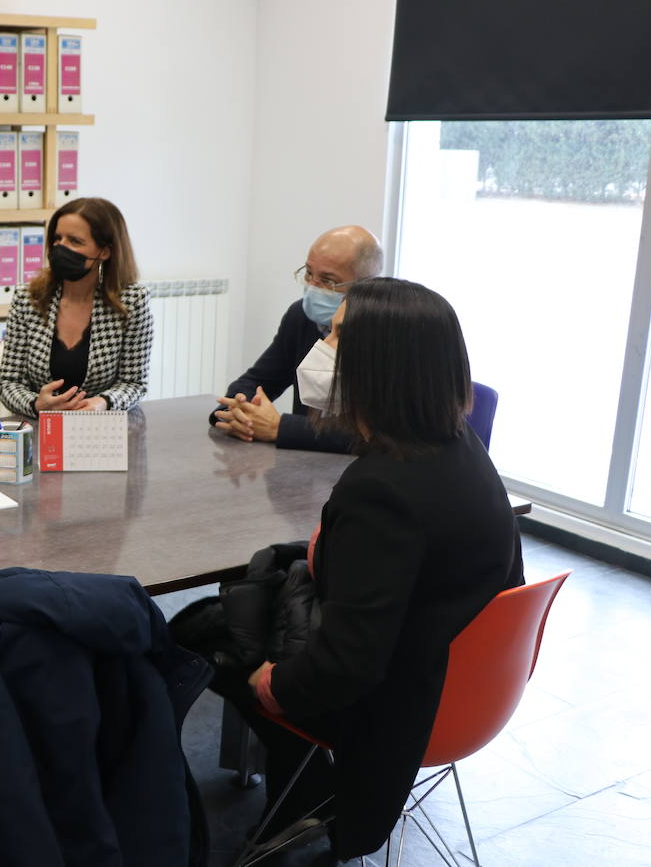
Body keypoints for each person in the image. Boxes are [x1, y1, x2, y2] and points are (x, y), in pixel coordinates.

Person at [234, 278, 524, 863]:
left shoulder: (383, 491)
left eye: (337, 336)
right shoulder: (459, 446)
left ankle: (303, 799)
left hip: (397, 707)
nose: (323, 343)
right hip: (470, 691)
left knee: (204, 638)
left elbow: (345, 664)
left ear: (376, 364)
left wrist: (274, 684)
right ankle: (302, 790)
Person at [211, 225, 381, 452]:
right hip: (301, 468)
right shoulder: (301, 317)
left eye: (328, 280)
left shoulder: (387, 332)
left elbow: (379, 435)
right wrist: (242, 411)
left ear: (367, 286)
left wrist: (280, 427)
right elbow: (255, 382)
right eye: (309, 273)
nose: (312, 286)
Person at [0, 197, 153, 416]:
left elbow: (134, 383)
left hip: (102, 429)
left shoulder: (132, 302)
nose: (61, 248)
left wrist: (103, 402)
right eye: (57, 239)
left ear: (105, 252)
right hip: (42, 427)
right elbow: (8, 382)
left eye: (75, 241)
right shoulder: (28, 298)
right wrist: (36, 404)